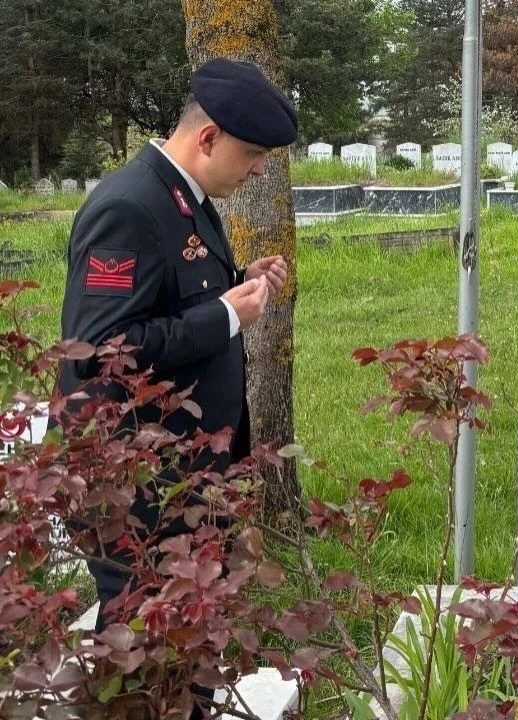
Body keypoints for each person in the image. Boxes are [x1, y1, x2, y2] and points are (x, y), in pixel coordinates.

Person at [56, 57, 296, 714]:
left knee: (186, 639)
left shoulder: (184, 196)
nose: (258, 172)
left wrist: (237, 282)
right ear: (208, 137)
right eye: (252, 155)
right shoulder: (129, 206)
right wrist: (225, 316)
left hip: (178, 475)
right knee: (144, 646)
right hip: (133, 482)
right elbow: (98, 348)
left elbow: (168, 295)